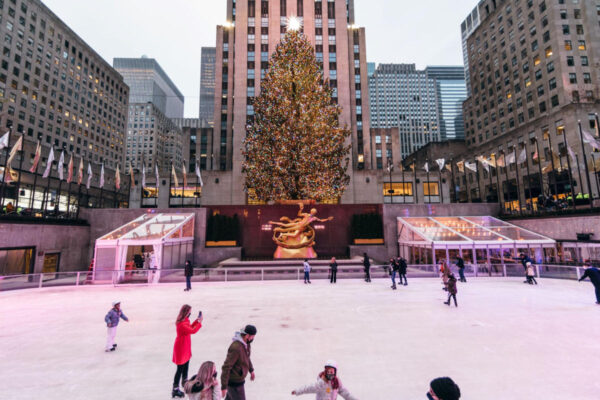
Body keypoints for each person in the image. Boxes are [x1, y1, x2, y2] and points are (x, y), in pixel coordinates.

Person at [172, 304, 203, 398]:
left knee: (186, 366)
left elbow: (190, 327)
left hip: (185, 347)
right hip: (181, 349)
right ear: (186, 312)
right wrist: (200, 323)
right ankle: (175, 389)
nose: (190, 313)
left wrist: (197, 321)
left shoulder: (185, 320)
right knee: (180, 369)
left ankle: (184, 382)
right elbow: (192, 331)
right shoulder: (181, 324)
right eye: (189, 312)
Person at [221, 324, 257, 400]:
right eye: (252, 336)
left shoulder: (246, 344)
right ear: (247, 335)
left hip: (238, 379)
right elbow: (226, 367)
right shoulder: (236, 348)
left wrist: (251, 370)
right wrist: (224, 386)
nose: (253, 338)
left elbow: (246, 357)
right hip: (235, 382)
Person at [291, 360, 358, 400]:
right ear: (325, 371)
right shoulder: (321, 383)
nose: (330, 373)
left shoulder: (336, 383)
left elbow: (346, 393)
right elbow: (308, 388)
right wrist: (297, 391)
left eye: (331, 372)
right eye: (328, 371)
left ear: (335, 372)